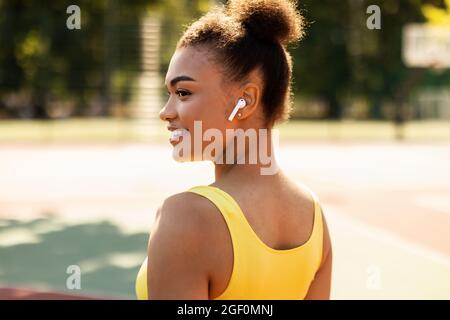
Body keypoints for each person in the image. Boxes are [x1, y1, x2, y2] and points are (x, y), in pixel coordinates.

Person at [136, 0, 332, 300]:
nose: (166, 112)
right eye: (170, 94)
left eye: (183, 93)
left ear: (247, 100)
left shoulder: (186, 217)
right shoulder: (314, 216)